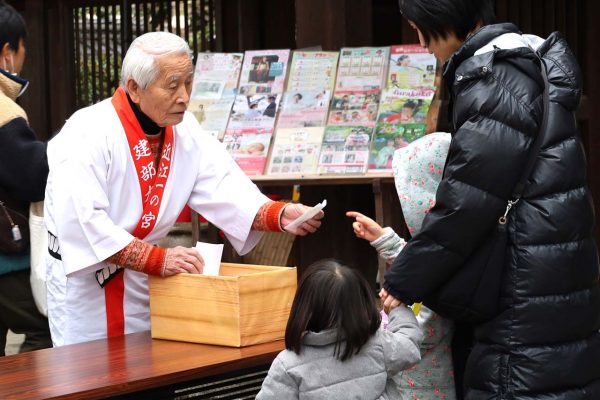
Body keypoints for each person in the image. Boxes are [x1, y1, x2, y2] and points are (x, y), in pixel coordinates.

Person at [44, 31, 324, 347]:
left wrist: (281, 214)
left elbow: (223, 186)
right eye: (172, 85)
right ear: (134, 88)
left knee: (146, 370)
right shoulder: (87, 132)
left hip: (142, 277)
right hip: (86, 283)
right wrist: (158, 259)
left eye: (188, 83)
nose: (185, 96)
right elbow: (83, 222)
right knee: (88, 378)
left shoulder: (184, 130)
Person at [383, 1, 600, 399]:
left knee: (517, 382)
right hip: (552, 266)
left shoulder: (492, 81)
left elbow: (468, 199)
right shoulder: (528, 63)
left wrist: (405, 278)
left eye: (421, 30)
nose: (421, 44)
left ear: (445, 21)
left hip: (521, 276)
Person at [347, 132, 455, 399]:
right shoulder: (450, 240)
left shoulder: (449, 252)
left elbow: (426, 324)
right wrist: (385, 239)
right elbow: (423, 264)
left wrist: (390, 314)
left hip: (421, 388)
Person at [256, 259, 423, 399]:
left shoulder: (287, 364)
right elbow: (409, 347)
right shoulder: (376, 343)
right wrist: (398, 311)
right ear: (361, 304)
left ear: (303, 306)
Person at [0, 1, 52, 356]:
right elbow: (31, 177)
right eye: (21, 52)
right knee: (46, 330)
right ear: (7, 51)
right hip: (6, 259)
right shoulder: (3, 109)